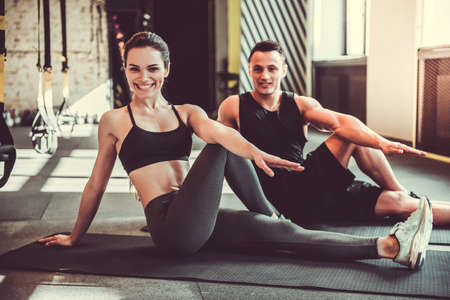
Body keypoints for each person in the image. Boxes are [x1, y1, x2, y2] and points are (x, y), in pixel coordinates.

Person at [38, 32, 432, 270]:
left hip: (198, 214)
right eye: (135, 68)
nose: (144, 78)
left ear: (167, 69)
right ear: (124, 70)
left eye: (152, 68)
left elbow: (215, 132)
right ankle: (269, 212)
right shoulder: (114, 120)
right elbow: (94, 184)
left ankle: (390, 248)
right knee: (221, 146)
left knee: (289, 234)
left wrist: (255, 153)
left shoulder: (187, 112)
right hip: (169, 227)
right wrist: (74, 237)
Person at [218, 40, 449, 226]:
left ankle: (402, 192)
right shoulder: (233, 106)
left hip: (312, 182)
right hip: (284, 197)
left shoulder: (301, 104)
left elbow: (341, 122)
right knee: (353, 138)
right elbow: (220, 154)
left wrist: (381, 143)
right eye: (257, 69)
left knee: (399, 202)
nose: (264, 76)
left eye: (272, 68)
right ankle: (403, 192)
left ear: (284, 71)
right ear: (249, 69)